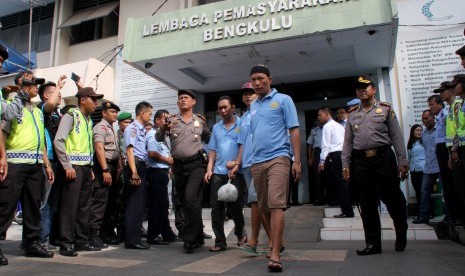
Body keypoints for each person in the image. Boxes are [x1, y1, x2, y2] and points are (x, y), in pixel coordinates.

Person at [341, 75, 409, 256]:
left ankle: (401, 235)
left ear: (373, 89)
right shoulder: (353, 113)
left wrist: (402, 161)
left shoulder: (385, 109)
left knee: (392, 198)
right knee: (367, 203)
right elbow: (347, 142)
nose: (362, 90)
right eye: (359, 88)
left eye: (365, 87)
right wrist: (345, 165)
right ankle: (372, 243)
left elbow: (396, 137)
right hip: (361, 161)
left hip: (384, 158)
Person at [248, 65, 301, 272]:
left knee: (276, 204)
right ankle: (276, 240)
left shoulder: (284, 100)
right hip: (257, 161)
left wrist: (296, 160)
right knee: (262, 207)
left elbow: (294, 130)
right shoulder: (252, 105)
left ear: (270, 79)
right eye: (253, 79)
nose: (257, 83)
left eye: (260, 78)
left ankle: (276, 253)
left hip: (279, 157)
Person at [0, 71, 55, 264]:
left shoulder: (37, 111)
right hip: (15, 163)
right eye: (32, 84)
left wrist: (47, 164)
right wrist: (2, 157)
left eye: (36, 84)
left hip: (35, 164)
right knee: (6, 205)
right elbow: (3, 131)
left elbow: (40, 141)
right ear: (20, 85)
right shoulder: (11, 106)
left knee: (33, 205)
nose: (35, 87)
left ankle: (32, 243)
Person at [156, 89, 211, 253]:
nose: (183, 100)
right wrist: (162, 129)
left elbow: (209, 139)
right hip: (178, 167)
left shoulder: (200, 121)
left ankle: (190, 239)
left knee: (190, 198)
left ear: (194, 101)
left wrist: (212, 163)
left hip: (196, 165)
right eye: (180, 98)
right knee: (184, 202)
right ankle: (198, 235)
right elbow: (159, 139)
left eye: (186, 98)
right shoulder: (171, 121)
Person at [54, 87, 103, 257]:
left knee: (83, 206)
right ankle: (66, 243)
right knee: (70, 206)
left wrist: (89, 166)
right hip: (73, 167)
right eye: (93, 99)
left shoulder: (88, 120)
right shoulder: (71, 115)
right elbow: (59, 140)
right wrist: (67, 166)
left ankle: (82, 240)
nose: (96, 103)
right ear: (83, 100)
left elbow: (86, 145)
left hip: (85, 168)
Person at [233, 82, 272, 255]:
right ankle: (264, 241)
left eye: (251, 93)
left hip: (260, 162)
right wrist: (237, 164)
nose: (248, 96)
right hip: (247, 165)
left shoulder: (264, 112)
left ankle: (267, 240)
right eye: (245, 94)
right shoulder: (243, 119)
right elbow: (241, 144)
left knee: (257, 202)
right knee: (256, 203)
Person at [204, 96, 246, 252]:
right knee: (216, 208)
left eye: (225, 107)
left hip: (236, 172)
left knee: (236, 207)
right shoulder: (216, 127)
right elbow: (212, 151)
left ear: (233, 107)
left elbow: (244, 146)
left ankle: (241, 234)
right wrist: (209, 169)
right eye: (220, 108)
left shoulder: (242, 124)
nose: (222, 110)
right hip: (218, 173)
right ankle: (220, 242)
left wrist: (236, 163)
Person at [36, 77, 65, 249]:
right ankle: (40, 239)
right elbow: (48, 106)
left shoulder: (58, 114)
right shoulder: (42, 109)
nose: (60, 95)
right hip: (47, 162)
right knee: (44, 203)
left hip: (57, 163)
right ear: (46, 96)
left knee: (54, 203)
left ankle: (51, 238)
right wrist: (58, 85)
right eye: (56, 93)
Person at [146, 109, 180, 245]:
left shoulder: (164, 135)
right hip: (155, 173)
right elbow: (152, 153)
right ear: (157, 121)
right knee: (157, 206)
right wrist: (167, 160)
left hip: (162, 173)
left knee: (163, 205)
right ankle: (153, 235)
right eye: (165, 119)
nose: (168, 122)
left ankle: (167, 233)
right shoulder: (153, 134)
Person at [89, 101, 120, 249]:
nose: (115, 114)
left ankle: (105, 232)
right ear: (104, 113)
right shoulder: (100, 127)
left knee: (110, 202)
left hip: (112, 167)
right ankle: (92, 234)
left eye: (116, 112)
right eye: (112, 112)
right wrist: (105, 170)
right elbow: (99, 148)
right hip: (104, 167)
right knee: (100, 201)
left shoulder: (112, 128)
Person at [99, 111, 133, 244]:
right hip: (118, 174)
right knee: (114, 204)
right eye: (125, 122)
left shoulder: (131, 135)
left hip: (128, 173)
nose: (128, 124)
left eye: (130, 122)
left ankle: (123, 231)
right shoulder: (116, 135)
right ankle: (109, 231)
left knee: (125, 204)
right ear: (119, 124)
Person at [123, 101, 152, 250]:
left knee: (139, 205)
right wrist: (134, 172)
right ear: (142, 113)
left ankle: (135, 237)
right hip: (135, 166)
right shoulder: (132, 128)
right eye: (149, 114)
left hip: (141, 166)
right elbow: (129, 151)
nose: (150, 116)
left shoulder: (141, 130)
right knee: (134, 204)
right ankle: (132, 240)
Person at [428, 93, 459, 225]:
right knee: (446, 183)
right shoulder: (439, 117)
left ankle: (454, 214)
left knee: (450, 183)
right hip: (441, 148)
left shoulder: (446, 115)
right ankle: (450, 213)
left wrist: (452, 151)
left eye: (432, 104)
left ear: (440, 104)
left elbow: (452, 132)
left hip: (447, 147)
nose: (430, 108)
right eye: (429, 105)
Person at [318, 106, 353, 218]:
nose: (318, 117)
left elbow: (326, 145)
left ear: (327, 114)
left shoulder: (328, 126)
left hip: (334, 156)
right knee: (341, 183)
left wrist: (322, 161)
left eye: (320, 115)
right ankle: (346, 209)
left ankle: (347, 211)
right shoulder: (339, 125)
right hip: (342, 155)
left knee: (338, 184)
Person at [440, 81, 465, 225]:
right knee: (457, 187)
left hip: (459, 147)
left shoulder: (458, 105)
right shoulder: (449, 108)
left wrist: (454, 150)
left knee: (461, 186)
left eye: (443, 91)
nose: (441, 94)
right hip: (453, 148)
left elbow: (458, 128)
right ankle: (459, 216)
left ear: (451, 91)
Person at [413, 110, 440, 224]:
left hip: (439, 166)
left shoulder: (438, 130)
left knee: (446, 192)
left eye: (427, 118)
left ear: (433, 117)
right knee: (424, 191)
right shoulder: (423, 134)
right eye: (423, 119)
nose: (424, 121)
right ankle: (423, 216)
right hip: (427, 167)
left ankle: (450, 215)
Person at [307, 121, 327, 205]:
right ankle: (319, 199)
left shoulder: (328, 127)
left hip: (328, 152)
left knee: (329, 175)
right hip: (317, 153)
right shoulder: (314, 131)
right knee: (318, 177)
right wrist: (310, 157)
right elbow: (310, 144)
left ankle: (333, 199)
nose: (319, 120)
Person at [407, 124, 425, 215]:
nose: (419, 132)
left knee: (423, 191)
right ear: (413, 132)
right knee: (417, 191)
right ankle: (420, 212)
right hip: (414, 170)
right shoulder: (411, 143)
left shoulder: (424, 141)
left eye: (421, 130)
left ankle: (426, 212)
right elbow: (409, 158)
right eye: (417, 130)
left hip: (423, 169)